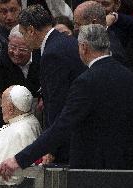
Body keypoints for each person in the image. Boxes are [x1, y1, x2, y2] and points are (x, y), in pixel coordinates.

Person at [0, 24, 133, 180]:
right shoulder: (129, 76)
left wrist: (20, 159)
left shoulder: (86, 81)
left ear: (84, 47)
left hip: (93, 170)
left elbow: (62, 125)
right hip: (128, 166)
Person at [19, 5, 86, 163]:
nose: (23, 38)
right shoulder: (66, 41)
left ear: (31, 30)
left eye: (22, 33)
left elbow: (57, 104)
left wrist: (51, 148)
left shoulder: (52, 54)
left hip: (69, 142)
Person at [74, 1, 128, 69]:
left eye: (78, 24)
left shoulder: (112, 52)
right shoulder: (83, 38)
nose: (75, 28)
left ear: (93, 23)